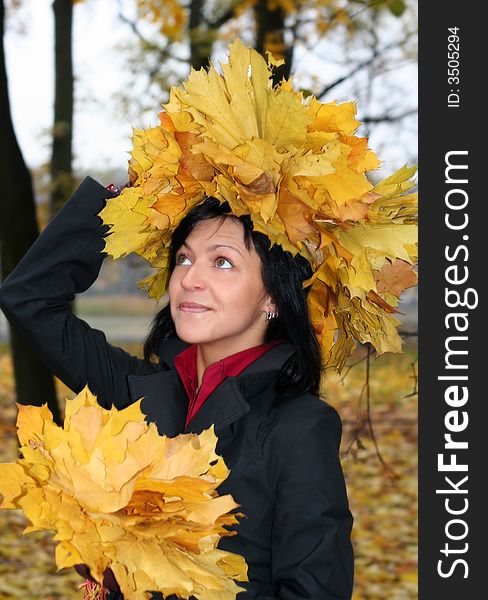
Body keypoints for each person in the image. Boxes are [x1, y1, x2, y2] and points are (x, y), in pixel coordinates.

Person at [0, 176, 354, 599]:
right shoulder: (137, 391)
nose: (190, 279)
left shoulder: (298, 427)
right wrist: (116, 201)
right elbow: (29, 299)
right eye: (184, 259)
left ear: (273, 297)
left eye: (222, 262)